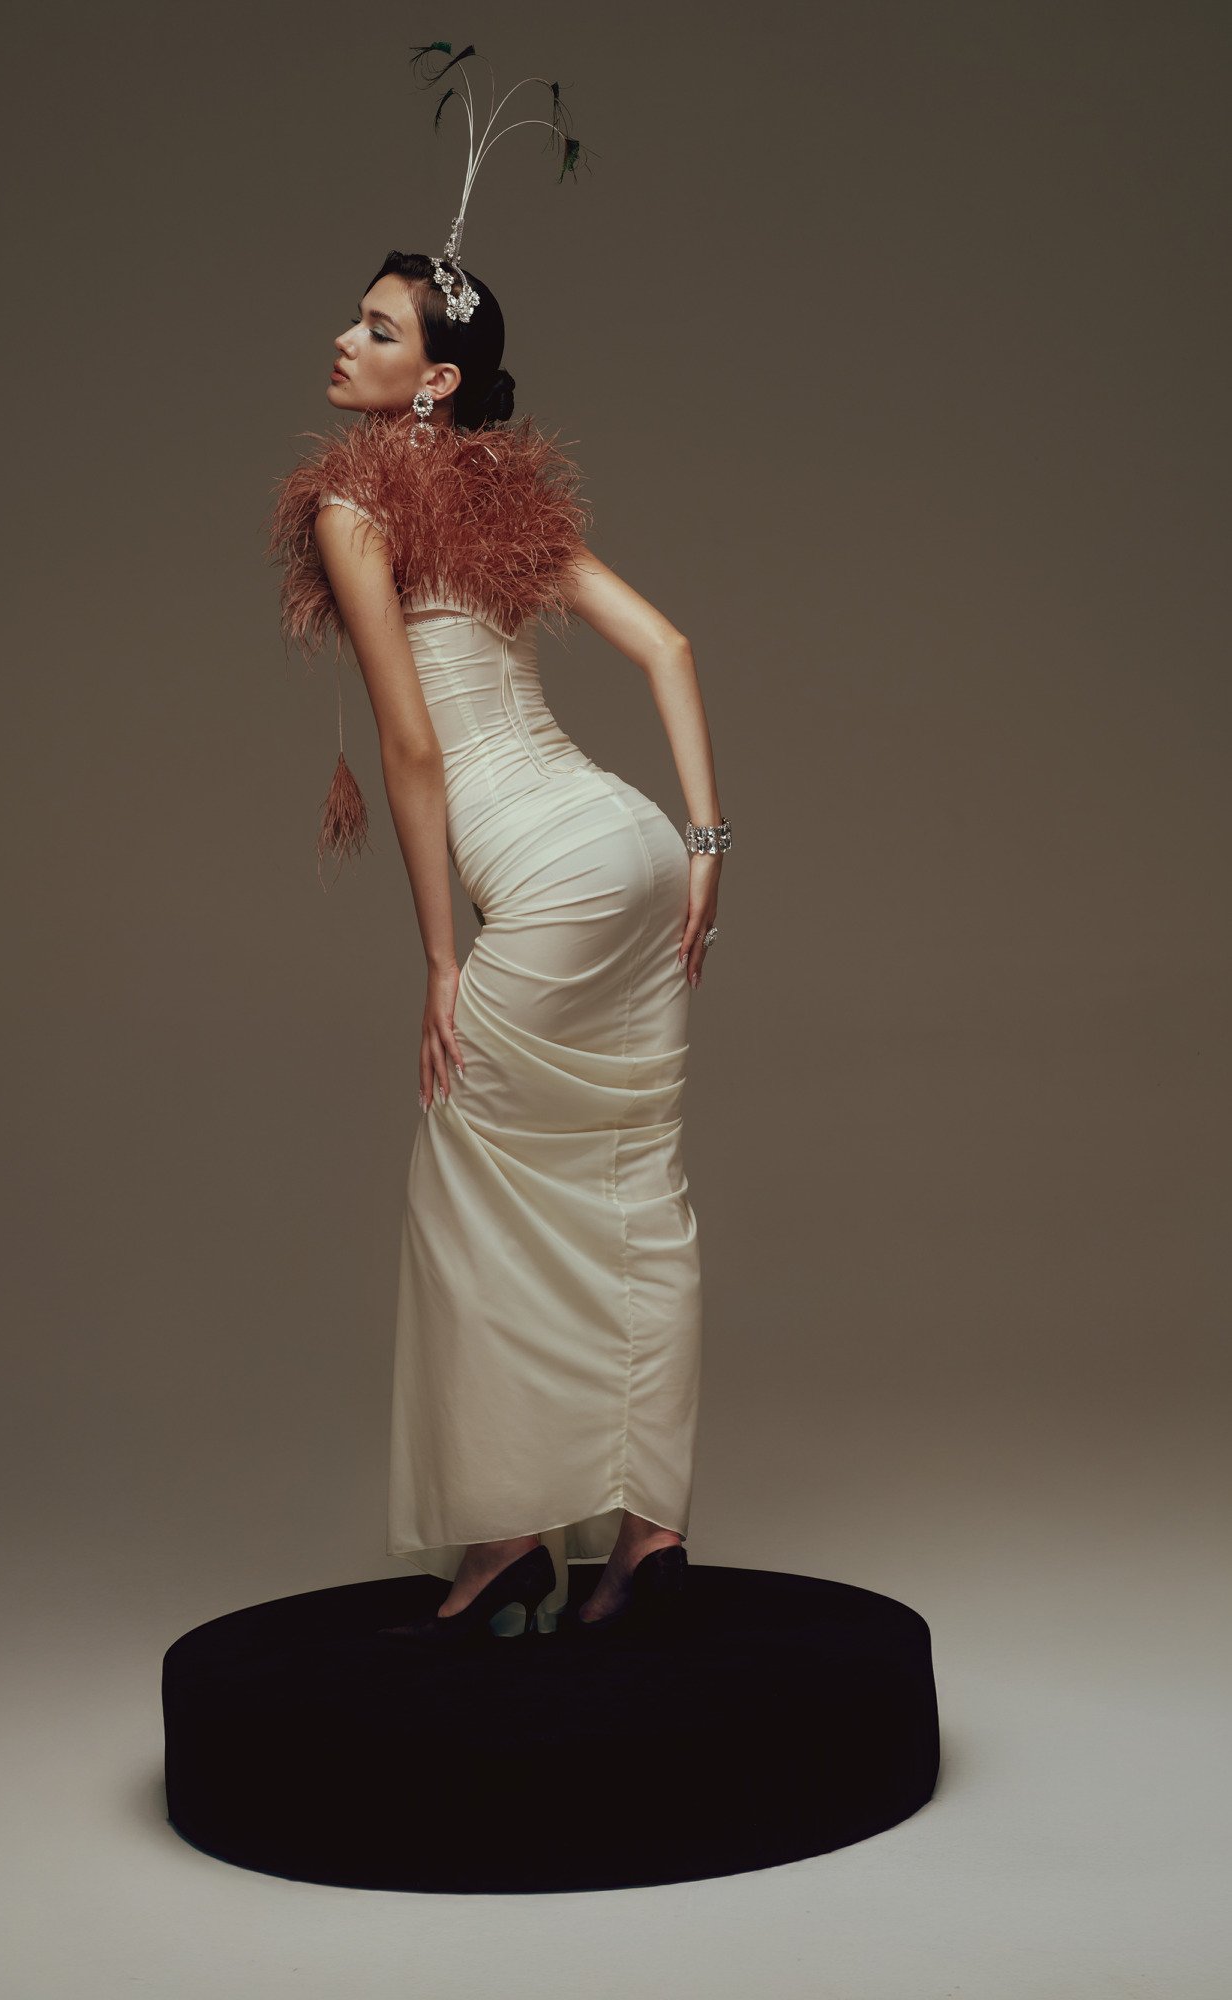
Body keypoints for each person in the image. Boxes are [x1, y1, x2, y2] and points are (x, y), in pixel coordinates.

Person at [266, 51, 729, 1647]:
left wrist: (439, 962)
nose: (346, 339)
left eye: (379, 329)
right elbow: (669, 646)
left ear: (437, 378)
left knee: (472, 1200)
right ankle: (649, 1535)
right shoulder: (507, 502)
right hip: (635, 841)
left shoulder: (351, 508)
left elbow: (411, 748)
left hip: (540, 870)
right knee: (637, 1187)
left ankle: (513, 1542)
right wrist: (708, 842)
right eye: (355, 321)